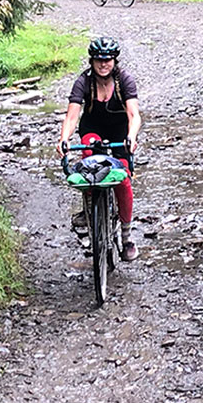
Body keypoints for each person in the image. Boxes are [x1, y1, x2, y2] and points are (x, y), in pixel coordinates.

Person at [57, 36, 142, 261]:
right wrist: (64, 140)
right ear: (92, 61)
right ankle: (89, 209)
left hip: (119, 132)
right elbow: (72, 115)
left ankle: (126, 236)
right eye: (98, 60)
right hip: (92, 130)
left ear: (114, 61)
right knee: (89, 166)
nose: (103, 64)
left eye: (108, 60)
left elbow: (134, 115)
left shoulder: (124, 81)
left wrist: (131, 138)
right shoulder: (83, 82)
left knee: (122, 180)